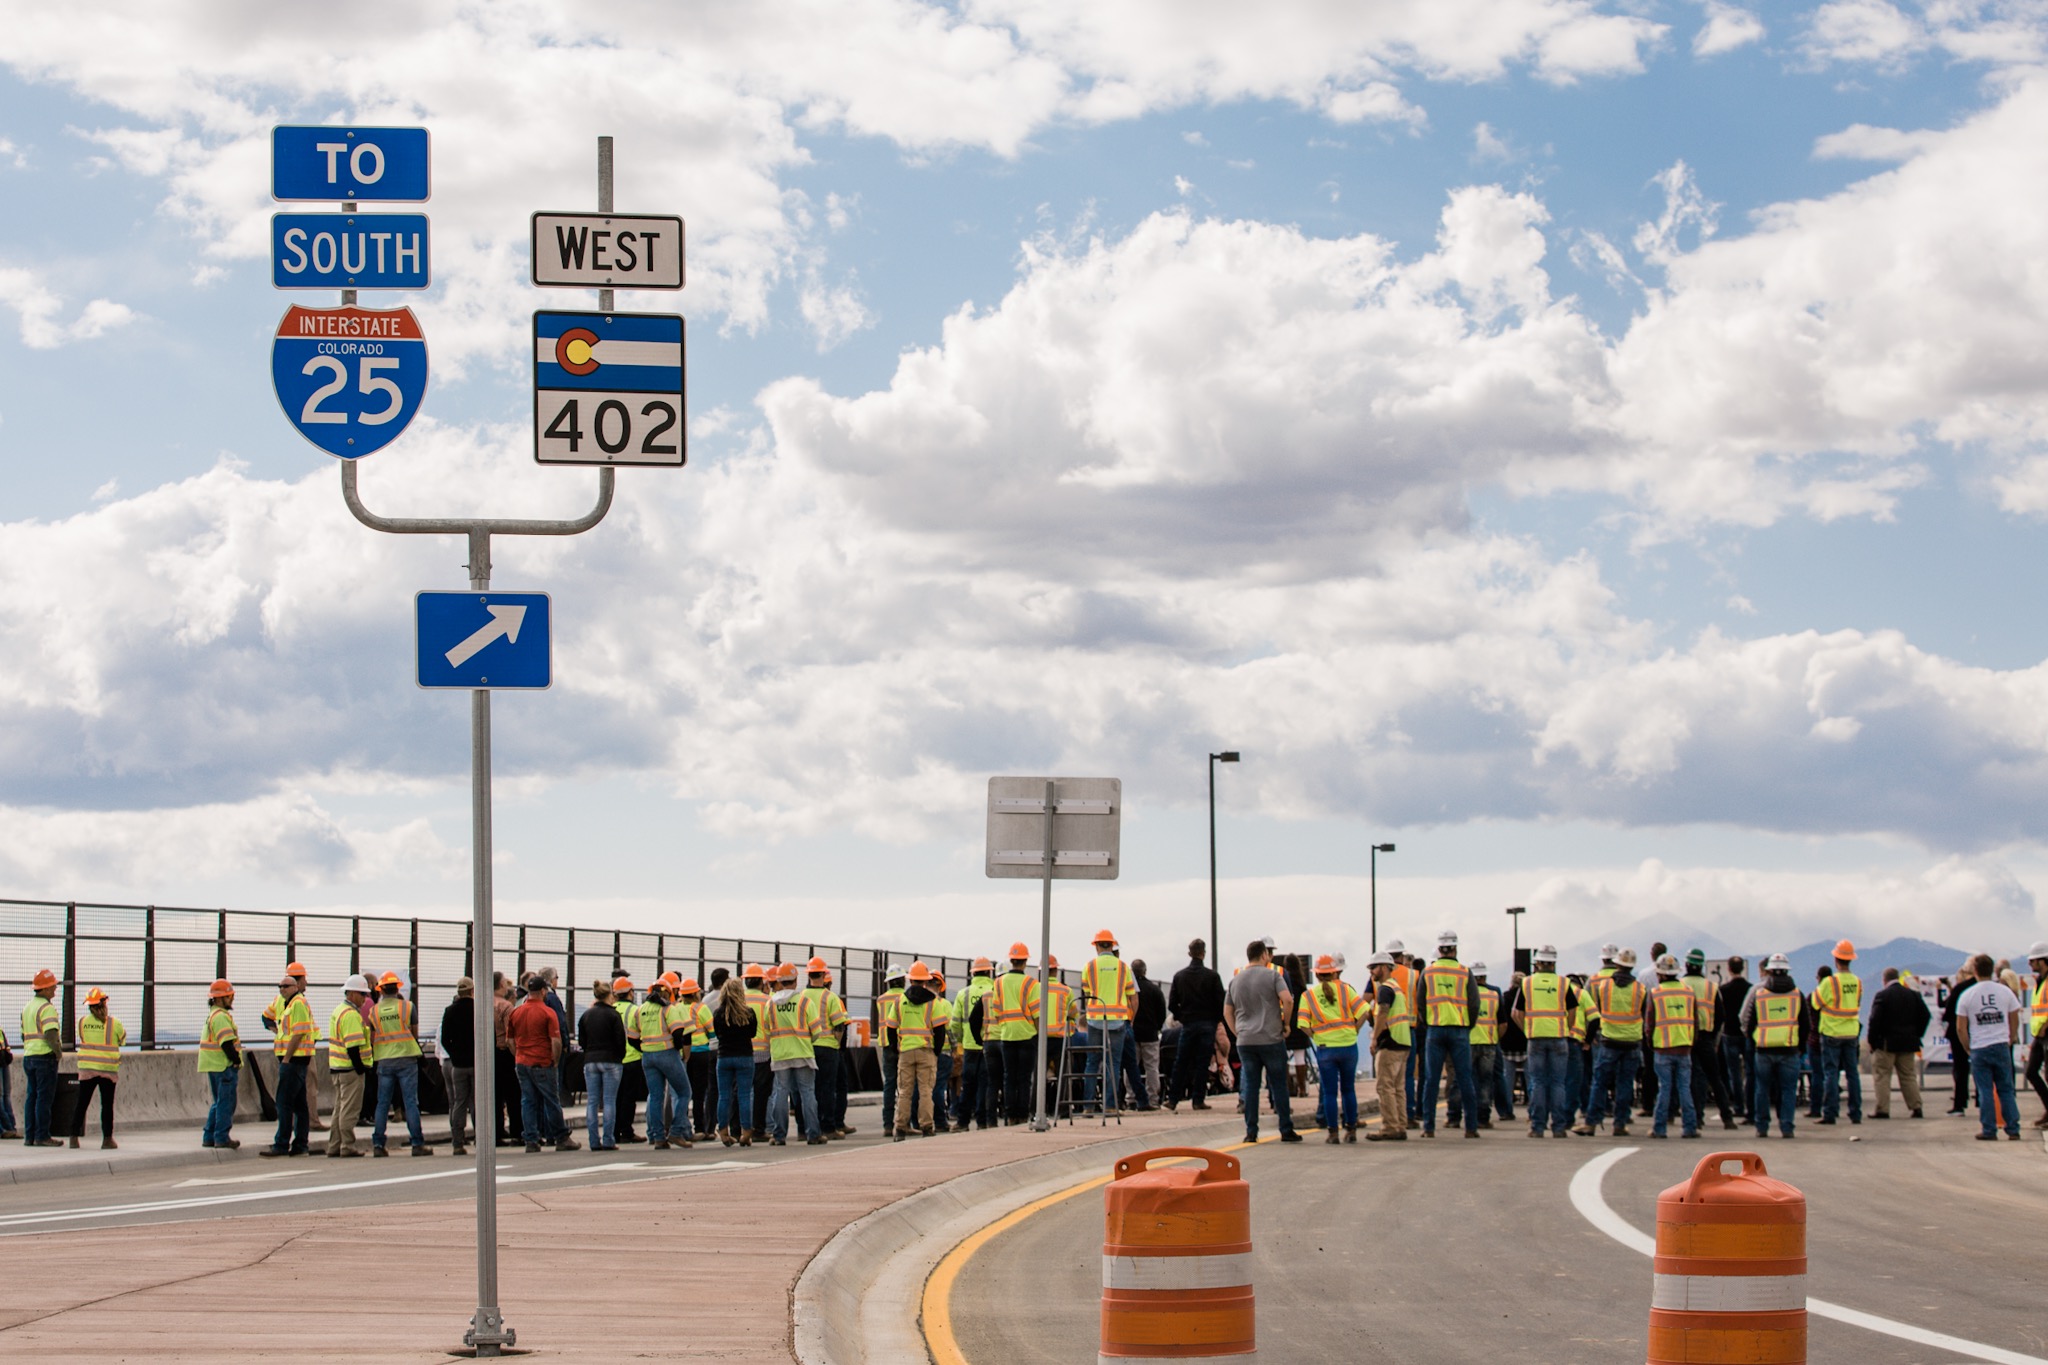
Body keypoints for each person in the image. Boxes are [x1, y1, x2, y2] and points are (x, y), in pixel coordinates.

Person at [1225, 939, 1301, 1143]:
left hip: (1245, 1040)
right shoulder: (1273, 975)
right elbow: (1288, 999)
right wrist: (1285, 1023)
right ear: (1264, 955)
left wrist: (1237, 1032)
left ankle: (1251, 1131)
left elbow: (1227, 1011)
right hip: (1271, 1037)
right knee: (1278, 1084)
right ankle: (1285, 1129)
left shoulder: (1235, 980)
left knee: (1250, 1085)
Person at [1951, 952, 2023, 1142]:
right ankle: (2013, 1128)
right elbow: (2014, 1014)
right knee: (2006, 1089)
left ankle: (1989, 1129)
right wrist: (2011, 1036)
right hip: (2000, 1044)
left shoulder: (1967, 995)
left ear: (1974, 970)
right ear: (1992, 970)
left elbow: (1960, 1027)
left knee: (1984, 1090)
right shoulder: (2004, 991)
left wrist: (1968, 1046)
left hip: (1979, 1046)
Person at [1740, 953, 1811, 1139]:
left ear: (1769, 971)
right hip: (1789, 1049)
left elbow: (1749, 1024)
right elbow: (1806, 1025)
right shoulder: (1797, 995)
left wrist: (1755, 1040)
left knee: (1762, 1089)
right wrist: (1800, 1046)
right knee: (1788, 1090)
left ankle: (1761, 1127)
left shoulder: (1760, 995)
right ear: (1787, 971)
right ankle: (1787, 1127)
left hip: (1764, 1050)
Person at [1418, 931, 1482, 1139]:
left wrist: (1429, 1023)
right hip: (1459, 1030)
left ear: (1439, 949)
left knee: (1431, 1080)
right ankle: (1471, 1127)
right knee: (1465, 1078)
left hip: (1435, 1030)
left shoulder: (1428, 973)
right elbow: (1474, 1004)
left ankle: (1428, 1128)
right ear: (1455, 948)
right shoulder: (1465, 972)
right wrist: (1467, 1025)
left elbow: (1420, 1002)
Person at [1508, 944, 1576, 1138]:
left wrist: (1527, 1030)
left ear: (1537, 963)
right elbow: (1572, 1011)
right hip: (1559, 1037)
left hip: (1535, 1038)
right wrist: (1566, 1029)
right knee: (1558, 1083)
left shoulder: (1527, 983)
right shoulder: (1563, 983)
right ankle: (1559, 1127)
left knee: (1537, 1082)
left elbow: (1516, 1013)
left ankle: (1537, 1127)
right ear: (1554, 964)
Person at [1576, 948, 1644, 1138]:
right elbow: (1644, 1014)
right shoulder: (1640, 989)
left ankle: (1591, 1123)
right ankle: (1620, 1124)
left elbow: (1593, 1014)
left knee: (1600, 1083)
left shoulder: (1603, 987)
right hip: (1631, 1042)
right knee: (1625, 1083)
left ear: (1617, 964)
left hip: (1608, 1040)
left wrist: (1589, 1037)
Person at [506, 973, 575, 1152]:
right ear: (543, 991)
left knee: (527, 1101)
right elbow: (556, 1041)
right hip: (542, 1061)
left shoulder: (516, 1012)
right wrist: (555, 1060)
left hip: (522, 1062)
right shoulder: (547, 1012)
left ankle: (531, 1139)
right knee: (551, 1100)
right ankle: (560, 1137)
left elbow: (510, 1041)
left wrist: (518, 1055)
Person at [367, 973, 434, 1156]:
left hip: (384, 1061)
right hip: (407, 1059)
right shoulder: (408, 1007)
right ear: (398, 988)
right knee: (411, 1102)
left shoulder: (374, 1011)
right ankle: (417, 1144)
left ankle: (378, 1145)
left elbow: (373, 1039)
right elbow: (414, 1034)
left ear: (380, 990)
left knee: (382, 1103)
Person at [1300, 955, 1365, 1143]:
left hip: (1325, 1048)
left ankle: (1332, 1132)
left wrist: (1316, 1035)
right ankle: (1351, 1130)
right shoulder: (1346, 990)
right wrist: (1355, 1029)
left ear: (1317, 975)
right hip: (1348, 1046)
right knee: (1348, 1089)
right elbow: (1363, 1011)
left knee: (1329, 1092)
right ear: (1334, 972)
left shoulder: (1309, 996)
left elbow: (1303, 1024)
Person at [767, 962, 827, 1146]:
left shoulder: (770, 1003)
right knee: (807, 1093)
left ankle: (779, 1135)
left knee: (780, 1093)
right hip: (802, 1052)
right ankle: (813, 1134)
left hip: (780, 1054)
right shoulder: (804, 1002)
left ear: (778, 981)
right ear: (795, 979)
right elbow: (817, 1030)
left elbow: (767, 1028)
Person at [631, 973, 692, 1150]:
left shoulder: (639, 1010)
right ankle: (676, 1131)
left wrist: (644, 1048)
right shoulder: (668, 1009)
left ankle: (658, 1137)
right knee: (684, 1092)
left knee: (655, 1096)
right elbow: (679, 1032)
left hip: (648, 1057)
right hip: (667, 1054)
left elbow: (632, 1038)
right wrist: (677, 1049)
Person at [260, 972, 316, 1158]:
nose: (282, 989)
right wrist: (275, 1030)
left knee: (284, 1103)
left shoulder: (299, 1003)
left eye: (286, 986)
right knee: (299, 1104)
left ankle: (282, 1144)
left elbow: (299, 1033)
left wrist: (286, 1058)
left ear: (295, 987)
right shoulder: (280, 1002)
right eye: (280, 986)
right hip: (291, 1059)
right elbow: (265, 1017)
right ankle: (300, 1145)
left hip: (295, 1060)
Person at [1645, 954, 1699, 1140]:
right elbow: (1695, 1020)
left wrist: (1651, 1043)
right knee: (1685, 1088)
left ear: (1659, 974)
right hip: (1684, 1047)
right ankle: (1690, 1128)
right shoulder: (1689, 992)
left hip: (1663, 1047)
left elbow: (1649, 1023)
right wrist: (1692, 1042)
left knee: (1665, 1089)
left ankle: (1660, 1129)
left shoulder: (1656, 992)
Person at [1081, 930, 1135, 1114]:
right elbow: (1130, 995)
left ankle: (1088, 1106)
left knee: (1092, 1063)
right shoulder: (1123, 967)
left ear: (1096, 946)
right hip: (1117, 1021)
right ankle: (1110, 1106)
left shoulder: (1089, 967)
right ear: (1112, 945)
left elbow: (1087, 992)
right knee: (1113, 1064)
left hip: (1095, 1020)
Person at [1166, 939, 1223, 1112]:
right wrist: (1214, 1020)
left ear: (1189, 953)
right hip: (1207, 1024)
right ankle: (1198, 1099)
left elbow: (1172, 1004)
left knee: (1181, 1062)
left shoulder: (1179, 976)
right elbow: (1220, 1002)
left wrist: (1182, 1016)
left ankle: (1173, 1099)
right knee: (1202, 1062)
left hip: (1188, 1024)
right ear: (1203, 953)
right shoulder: (1213, 976)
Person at [1683, 949, 1737, 1132]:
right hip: (1706, 1037)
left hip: (1686, 1037)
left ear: (1686, 965)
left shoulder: (1681, 985)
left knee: (1691, 1079)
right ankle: (1727, 1118)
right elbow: (1721, 1016)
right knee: (1715, 1078)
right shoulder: (1711, 987)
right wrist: (1714, 1039)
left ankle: (1696, 1117)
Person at [1867, 965, 1931, 1120]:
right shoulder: (1913, 995)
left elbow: (1874, 1020)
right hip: (1908, 1043)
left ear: (1884, 980)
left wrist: (1872, 1041)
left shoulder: (1882, 995)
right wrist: (1917, 1035)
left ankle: (1883, 1109)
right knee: (1908, 1076)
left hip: (1886, 1044)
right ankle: (1916, 1107)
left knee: (1882, 1076)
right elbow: (1925, 1015)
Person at [890, 962, 946, 1139]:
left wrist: (896, 1049)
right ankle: (927, 1127)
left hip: (906, 1051)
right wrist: (936, 1052)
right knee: (925, 1091)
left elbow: (890, 1028)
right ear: (925, 981)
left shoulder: (900, 1001)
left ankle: (900, 1128)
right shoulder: (933, 1002)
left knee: (905, 1091)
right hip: (925, 1050)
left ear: (910, 980)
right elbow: (940, 1030)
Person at [1812, 940, 1864, 1125]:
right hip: (1851, 1033)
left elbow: (1815, 1003)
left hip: (1831, 1032)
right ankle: (1856, 1113)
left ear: (1836, 959)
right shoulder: (1857, 982)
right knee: (1852, 1074)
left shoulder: (1829, 982)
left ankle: (1830, 1113)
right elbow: (1856, 1004)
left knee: (1831, 1074)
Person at [68, 987, 125, 1149]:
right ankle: (107, 1139)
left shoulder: (82, 1022)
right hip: (108, 1070)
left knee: (81, 1103)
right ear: (105, 1003)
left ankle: (73, 1136)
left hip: (87, 1069)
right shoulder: (114, 1023)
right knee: (107, 1105)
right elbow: (122, 1040)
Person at [990, 946, 1042, 1123]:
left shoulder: (998, 983)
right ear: (1025, 961)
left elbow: (996, 1011)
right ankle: (1022, 1114)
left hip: (1007, 1035)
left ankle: (1010, 1115)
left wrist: (1005, 1025)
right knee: (1024, 1078)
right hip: (1027, 1035)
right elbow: (1036, 1014)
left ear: (1011, 960)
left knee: (1009, 1077)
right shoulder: (1032, 984)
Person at [798, 961, 849, 1138]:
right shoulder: (830, 997)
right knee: (827, 1088)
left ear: (809, 975)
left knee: (807, 1089)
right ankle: (828, 1127)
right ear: (823, 975)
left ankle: (805, 1128)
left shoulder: (801, 996)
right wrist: (836, 1044)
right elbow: (839, 1026)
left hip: (806, 1048)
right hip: (827, 1048)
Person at [325, 975, 374, 1159]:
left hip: (337, 1068)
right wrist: (360, 1068)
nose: (365, 998)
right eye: (362, 994)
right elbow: (353, 1046)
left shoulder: (339, 1010)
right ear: (352, 993)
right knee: (349, 1110)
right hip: (349, 1069)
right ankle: (347, 1145)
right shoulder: (351, 1015)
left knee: (339, 1109)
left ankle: (334, 1145)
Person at [1365, 951, 1411, 1140]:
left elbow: (1383, 1012)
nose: (1371, 972)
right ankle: (1400, 1124)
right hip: (1403, 1041)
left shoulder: (1385, 989)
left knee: (1385, 1086)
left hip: (1390, 1042)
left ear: (1384, 967)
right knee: (1398, 1087)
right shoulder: (1396, 987)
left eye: (1374, 968)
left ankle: (1390, 1126)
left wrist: (1374, 1038)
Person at [1450, 961, 1502, 1131]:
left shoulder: (1464, 994)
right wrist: (1494, 1038)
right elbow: (1503, 1024)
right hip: (1488, 1044)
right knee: (1485, 1082)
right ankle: (1482, 1118)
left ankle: (1454, 1117)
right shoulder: (1494, 995)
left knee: (1461, 1079)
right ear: (1485, 976)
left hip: (1467, 1042)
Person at [580, 979, 626, 1151]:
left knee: (592, 1101)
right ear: (610, 995)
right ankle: (608, 1139)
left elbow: (582, 1040)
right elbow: (620, 1040)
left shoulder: (586, 1015)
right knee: (608, 1101)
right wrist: (619, 1057)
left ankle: (593, 1140)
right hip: (611, 1060)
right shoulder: (614, 1015)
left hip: (591, 1060)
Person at [196, 978, 242, 1149]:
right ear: (219, 998)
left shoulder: (212, 1015)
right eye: (228, 996)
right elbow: (226, 1043)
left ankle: (209, 1135)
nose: (231, 999)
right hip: (223, 1066)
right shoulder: (221, 1017)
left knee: (218, 1102)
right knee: (226, 1102)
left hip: (213, 1065)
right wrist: (236, 1060)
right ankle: (221, 1137)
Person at [712, 978, 758, 1146]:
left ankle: (724, 1132)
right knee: (744, 1095)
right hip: (744, 1057)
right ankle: (746, 1132)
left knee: (724, 1096)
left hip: (724, 1057)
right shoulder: (749, 1012)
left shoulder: (718, 1013)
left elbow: (717, 1034)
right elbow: (752, 1033)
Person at [439, 977, 476, 1155]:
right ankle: (481, 1137)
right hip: (477, 1063)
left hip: (458, 1065)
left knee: (459, 1102)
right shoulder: (478, 1009)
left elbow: (445, 1039)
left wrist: (455, 1054)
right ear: (472, 991)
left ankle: (458, 1141)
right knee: (478, 1102)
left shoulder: (450, 1011)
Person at [1717, 956, 1753, 1120]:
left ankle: (1738, 1105)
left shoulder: (1723, 989)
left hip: (1729, 1033)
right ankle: (1750, 1104)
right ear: (1742, 969)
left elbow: (1720, 1013)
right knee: (1750, 1072)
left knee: (1734, 1073)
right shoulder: (1750, 989)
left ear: (1729, 969)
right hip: (1746, 1035)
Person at [609, 976, 644, 1144]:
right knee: (629, 1098)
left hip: (615, 1060)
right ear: (630, 992)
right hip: (632, 1058)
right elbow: (639, 1033)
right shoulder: (635, 1010)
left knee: (615, 1097)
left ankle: (614, 1132)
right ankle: (627, 1131)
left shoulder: (610, 1009)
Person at [744, 964, 774, 1140]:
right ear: (762, 982)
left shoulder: (738, 1000)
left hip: (742, 1051)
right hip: (764, 1051)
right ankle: (759, 1129)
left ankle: (743, 1128)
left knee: (743, 1092)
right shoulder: (767, 1001)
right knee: (762, 1093)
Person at [876, 964, 906, 1137]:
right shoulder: (905, 998)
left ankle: (887, 1124)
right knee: (905, 1086)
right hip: (903, 1044)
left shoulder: (881, 1000)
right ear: (902, 980)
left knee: (889, 1084)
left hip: (886, 1045)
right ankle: (905, 1121)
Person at [1132, 959, 1166, 1111]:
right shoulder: (1154, 989)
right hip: (1150, 1034)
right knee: (1152, 1068)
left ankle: (1131, 1097)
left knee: (1132, 1067)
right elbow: (1162, 1013)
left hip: (1132, 1033)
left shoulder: (1130, 990)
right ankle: (1152, 1098)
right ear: (1145, 971)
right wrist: (1156, 1027)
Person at [1941, 969, 1973, 1115]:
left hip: (1958, 1031)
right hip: (1979, 1032)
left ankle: (1959, 1103)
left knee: (1960, 1068)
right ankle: (1982, 1099)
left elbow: (1948, 1011)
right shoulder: (1984, 987)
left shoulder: (1960, 989)